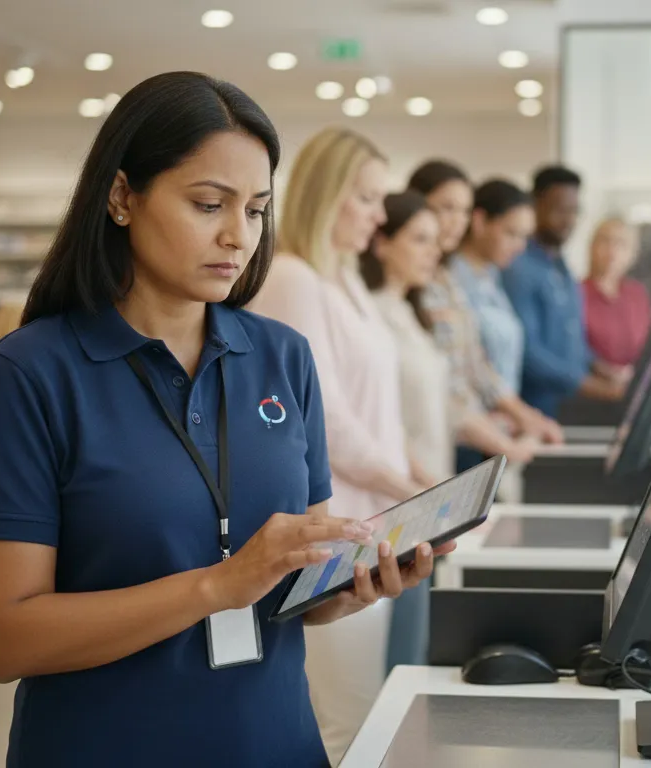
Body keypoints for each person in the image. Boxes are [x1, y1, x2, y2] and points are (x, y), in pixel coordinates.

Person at [0, 72, 451, 768]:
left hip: (275, 743)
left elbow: (291, 589)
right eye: (208, 204)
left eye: (255, 210)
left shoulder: (283, 357)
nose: (237, 236)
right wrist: (216, 585)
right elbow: (5, 638)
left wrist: (348, 588)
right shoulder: (31, 374)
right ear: (123, 196)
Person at [245, 126, 425, 765]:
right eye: (368, 198)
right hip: (340, 520)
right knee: (345, 720)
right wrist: (414, 491)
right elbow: (327, 424)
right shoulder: (294, 278)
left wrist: (414, 479)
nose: (380, 216)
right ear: (329, 194)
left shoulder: (342, 278)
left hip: (370, 517)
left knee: (361, 707)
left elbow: (376, 407)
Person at [408, 161, 561, 464]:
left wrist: (523, 416)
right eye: (446, 208)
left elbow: (475, 363)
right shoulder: (422, 284)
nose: (456, 222)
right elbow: (449, 383)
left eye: (463, 211)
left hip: (470, 433)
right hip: (447, 437)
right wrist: (504, 440)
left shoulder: (447, 279)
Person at [504, 165, 625, 418]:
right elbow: (528, 352)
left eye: (574, 211)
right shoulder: (519, 267)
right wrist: (589, 385)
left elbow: (572, 340)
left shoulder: (562, 266)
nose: (569, 220)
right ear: (536, 205)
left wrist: (604, 370)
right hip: (534, 411)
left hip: (566, 406)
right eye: (560, 210)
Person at [449, 179, 534, 420]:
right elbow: (469, 366)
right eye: (511, 233)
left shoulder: (492, 277)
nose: (520, 246)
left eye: (524, 236)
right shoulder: (454, 280)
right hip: (471, 427)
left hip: (500, 423)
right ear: (480, 221)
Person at [582, 216, 651, 379]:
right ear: (591, 247)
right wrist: (608, 372)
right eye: (605, 241)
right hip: (593, 386)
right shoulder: (575, 293)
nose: (612, 251)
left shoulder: (638, 294)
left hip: (635, 383)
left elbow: (648, 345)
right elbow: (575, 349)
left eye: (621, 244)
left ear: (633, 254)